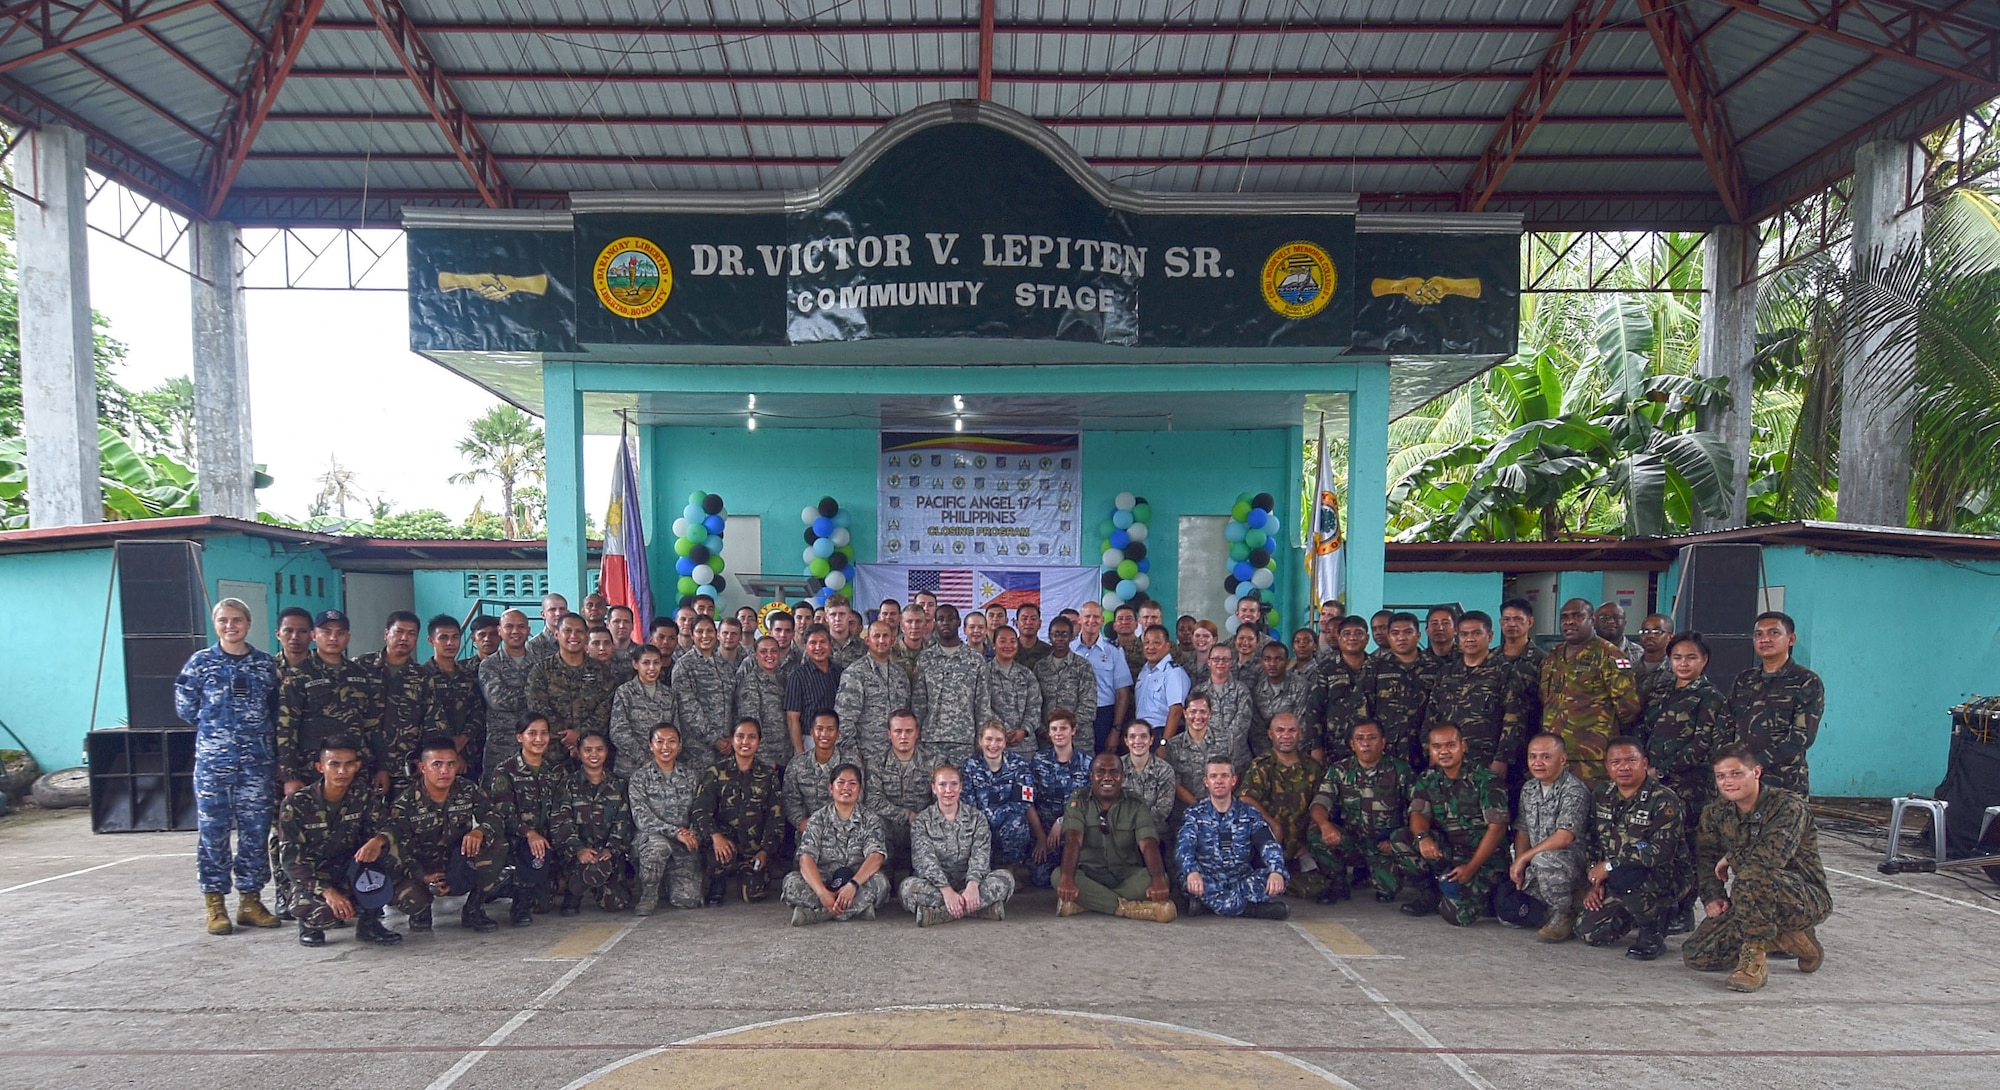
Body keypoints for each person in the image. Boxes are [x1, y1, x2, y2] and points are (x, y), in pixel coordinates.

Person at [176, 598, 285, 935]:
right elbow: (185, 707)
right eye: (223, 620)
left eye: (237, 620)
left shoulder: (266, 666)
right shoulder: (200, 664)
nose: (230, 626)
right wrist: (220, 733)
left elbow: (274, 709)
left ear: (248, 624)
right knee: (213, 834)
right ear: (216, 624)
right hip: (214, 766)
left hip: (256, 765)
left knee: (255, 833)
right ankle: (215, 904)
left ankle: (250, 901)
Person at [1684, 745, 1832, 991]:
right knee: (1698, 954)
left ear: (1757, 772)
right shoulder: (1716, 813)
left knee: (1751, 874)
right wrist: (1714, 896)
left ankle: (1754, 963)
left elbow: (1771, 857)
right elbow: (1706, 859)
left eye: (1736, 773)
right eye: (1721, 776)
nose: (1728, 782)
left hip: (1802, 898)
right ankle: (1791, 939)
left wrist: (1732, 858)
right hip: (1752, 899)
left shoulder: (1787, 806)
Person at [276, 734, 402, 947]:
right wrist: (328, 892)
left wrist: (379, 840)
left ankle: (369, 923)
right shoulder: (297, 804)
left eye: (349, 764)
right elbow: (292, 862)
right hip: (311, 876)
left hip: (348, 869)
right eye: (334, 764)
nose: (342, 771)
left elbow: (390, 825)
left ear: (357, 766)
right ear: (320, 767)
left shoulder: (361, 795)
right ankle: (309, 924)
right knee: (323, 915)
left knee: (389, 852)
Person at [1580, 737, 1690, 961]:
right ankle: (1638, 911)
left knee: (1625, 876)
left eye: (1631, 760)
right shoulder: (1602, 794)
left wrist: (1610, 867)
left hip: (1664, 876)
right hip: (1618, 876)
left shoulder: (1663, 799)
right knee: (1590, 933)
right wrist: (1595, 880)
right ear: (1607, 766)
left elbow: (1661, 851)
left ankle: (1653, 932)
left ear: (1644, 763)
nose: (1623, 767)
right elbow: (1593, 840)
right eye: (1616, 762)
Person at [385, 735, 508, 933]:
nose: (445, 770)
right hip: (421, 868)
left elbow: (494, 816)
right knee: (412, 899)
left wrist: (480, 831)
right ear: (423, 767)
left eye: (451, 764)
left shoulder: (466, 789)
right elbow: (397, 851)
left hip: (456, 861)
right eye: (437, 764)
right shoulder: (405, 803)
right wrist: (423, 876)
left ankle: (474, 908)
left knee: (497, 845)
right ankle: (421, 911)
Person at [1644, 632, 1726, 930]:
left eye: (1691, 657)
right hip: (1654, 784)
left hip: (1691, 787)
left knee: (1690, 847)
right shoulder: (1660, 691)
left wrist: (1662, 770)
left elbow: (1703, 744)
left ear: (1704, 660)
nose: (1683, 663)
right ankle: (1660, 905)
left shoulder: (1711, 698)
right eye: (1677, 657)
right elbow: (1644, 730)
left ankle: (1684, 909)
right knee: (1662, 844)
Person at [1391, 724, 1510, 926]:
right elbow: (1418, 812)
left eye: (1451, 745)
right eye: (1437, 746)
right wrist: (1423, 838)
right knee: (1400, 839)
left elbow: (1497, 829)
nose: (1444, 751)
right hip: (1449, 852)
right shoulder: (1429, 778)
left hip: (1484, 859)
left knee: (1457, 915)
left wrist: (1471, 868)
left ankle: (1486, 895)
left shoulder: (1485, 779)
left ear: (1463, 746)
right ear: (1430, 749)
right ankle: (1432, 891)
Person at [276, 609, 384, 799]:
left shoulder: (359, 675)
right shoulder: (297, 675)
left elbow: (372, 726)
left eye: (340, 633)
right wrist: (290, 776)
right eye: (326, 632)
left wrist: (381, 767)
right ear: (314, 636)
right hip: (312, 770)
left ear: (348, 637)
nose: (333, 638)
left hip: (355, 769)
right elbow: (286, 728)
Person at [1055, 753, 1176, 921]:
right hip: (1090, 873)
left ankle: (1087, 903)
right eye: (1100, 772)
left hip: (1126, 874)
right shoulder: (1079, 801)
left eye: (1114, 772)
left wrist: (1157, 879)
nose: (1107, 777)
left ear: (1122, 776)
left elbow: (1148, 843)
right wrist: (1067, 878)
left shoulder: (1136, 804)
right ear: (1091, 776)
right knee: (1058, 876)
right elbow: (1073, 840)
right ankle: (1128, 908)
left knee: (1159, 878)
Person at [1308, 719, 1413, 903]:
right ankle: (1337, 882)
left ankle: (1372, 873)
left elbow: (1417, 811)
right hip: (1352, 842)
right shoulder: (1340, 770)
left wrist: (1398, 839)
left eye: (1372, 738)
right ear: (1352, 744)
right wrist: (1325, 825)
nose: (1365, 743)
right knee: (1315, 831)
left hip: (1384, 846)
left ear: (1383, 742)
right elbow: (1319, 804)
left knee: (1388, 891)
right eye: (1360, 738)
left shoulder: (1400, 770)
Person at [1720, 611, 1825, 796]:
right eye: (1758, 634)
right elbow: (1726, 724)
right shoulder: (1745, 680)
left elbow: (1802, 737)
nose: (1765, 639)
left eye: (1773, 633)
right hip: (1740, 780)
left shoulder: (1806, 681)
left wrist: (1754, 762)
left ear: (1791, 639)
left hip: (1784, 782)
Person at [1540, 598, 1640, 783]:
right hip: (1554, 754)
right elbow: (1545, 699)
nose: (1569, 621)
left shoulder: (1610, 655)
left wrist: (1598, 730)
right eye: (1564, 617)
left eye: (1578, 616)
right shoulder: (1553, 656)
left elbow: (1628, 708)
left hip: (1592, 757)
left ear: (1592, 620)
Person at [1177, 756, 1290, 919]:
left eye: (1224, 776)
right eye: (1213, 776)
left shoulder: (1249, 813)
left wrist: (1276, 870)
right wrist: (1191, 872)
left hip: (1241, 879)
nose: (1219, 781)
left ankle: (1208, 905)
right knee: (1187, 880)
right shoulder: (1194, 814)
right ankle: (1252, 910)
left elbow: (1268, 844)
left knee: (1276, 879)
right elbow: (1184, 847)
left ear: (1234, 780)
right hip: (1207, 879)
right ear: (1206, 781)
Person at [903, 763, 1015, 926]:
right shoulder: (922, 821)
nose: (948, 790)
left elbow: (981, 855)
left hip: (970, 883)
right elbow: (924, 861)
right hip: (936, 887)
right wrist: (946, 890)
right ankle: (979, 909)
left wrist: (972, 886)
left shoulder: (976, 818)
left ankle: (940, 913)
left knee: (1006, 879)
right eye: (942, 785)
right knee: (907, 889)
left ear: (961, 787)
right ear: (934, 788)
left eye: (954, 784)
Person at [1503, 734, 1590, 942]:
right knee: (1507, 912)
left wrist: (1525, 858)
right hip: (1539, 863)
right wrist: (1519, 863)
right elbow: (1523, 829)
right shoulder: (1529, 789)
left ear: (1562, 759)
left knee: (1544, 860)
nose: (1537, 762)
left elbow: (1564, 837)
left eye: (1545, 757)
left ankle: (1565, 913)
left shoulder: (1574, 790)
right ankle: (1555, 907)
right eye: (1532, 757)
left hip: (1571, 864)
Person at [486, 712, 570, 926]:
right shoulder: (505, 771)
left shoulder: (557, 771)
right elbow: (503, 812)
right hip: (518, 840)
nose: (539, 739)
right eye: (532, 733)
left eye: (544, 733)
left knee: (544, 903)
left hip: (548, 840)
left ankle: (512, 885)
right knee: (532, 867)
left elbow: (563, 809)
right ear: (519, 737)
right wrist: (529, 833)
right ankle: (518, 902)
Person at [691, 718, 786, 904]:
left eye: (751, 737)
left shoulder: (767, 775)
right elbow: (700, 810)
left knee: (752, 896)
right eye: (740, 736)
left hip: (754, 849)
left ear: (759, 741)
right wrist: (715, 836)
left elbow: (776, 817)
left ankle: (751, 873)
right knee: (717, 860)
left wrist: (765, 851)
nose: (745, 742)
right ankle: (718, 880)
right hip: (724, 845)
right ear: (732, 740)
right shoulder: (716, 772)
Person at [784, 762, 891, 925]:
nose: (846, 788)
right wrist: (822, 893)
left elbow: (876, 857)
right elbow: (805, 859)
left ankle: (819, 914)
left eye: (852, 783)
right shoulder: (818, 819)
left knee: (881, 883)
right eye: (840, 783)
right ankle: (855, 910)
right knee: (791, 883)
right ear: (831, 788)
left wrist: (853, 886)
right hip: (824, 880)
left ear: (860, 790)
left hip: (856, 881)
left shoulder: (870, 819)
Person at [1424, 610, 1524, 779]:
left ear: (1490, 636)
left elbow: (1513, 720)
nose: (1469, 639)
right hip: (1447, 760)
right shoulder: (1447, 672)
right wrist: (1430, 752)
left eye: (1477, 633)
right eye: (1464, 634)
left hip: (1486, 762)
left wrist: (1502, 759)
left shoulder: (1505, 672)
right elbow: (1432, 715)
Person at [1237, 713, 1326, 897]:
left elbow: (1322, 805)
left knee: (1319, 888)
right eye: (1280, 730)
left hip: (1299, 848)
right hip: (1268, 846)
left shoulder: (1312, 768)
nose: (1286, 735)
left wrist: (1309, 844)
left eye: (1292, 730)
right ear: (1270, 734)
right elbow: (1246, 799)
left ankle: (1278, 882)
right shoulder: (1261, 766)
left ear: (1300, 734)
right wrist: (1271, 822)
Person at [628, 722, 706, 915]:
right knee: (658, 847)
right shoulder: (640, 778)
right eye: (660, 741)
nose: (665, 747)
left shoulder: (691, 776)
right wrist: (675, 832)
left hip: (683, 843)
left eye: (671, 741)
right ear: (650, 745)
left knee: (688, 900)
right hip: (653, 840)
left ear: (679, 745)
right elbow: (641, 817)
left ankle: (667, 880)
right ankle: (649, 893)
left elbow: (700, 810)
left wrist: (692, 833)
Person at [554, 730, 633, 915]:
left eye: (599, 749)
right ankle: (574, 890)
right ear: (579, 753)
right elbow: (561, 821)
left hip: (608, 854)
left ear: (607, 752)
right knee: (580, 872)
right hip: (576, 854)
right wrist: (578, 849)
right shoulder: (568, 784)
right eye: (588, 750)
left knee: (616, 904)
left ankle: (599, 882)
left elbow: (624, 821)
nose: (594, 754)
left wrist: (611, 849)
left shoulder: (619, 784)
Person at [866, 710, 946, 882]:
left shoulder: (933, 761)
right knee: (875, 824)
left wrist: (923, 819)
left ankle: (923, 876)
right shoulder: (877, 763)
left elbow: (942, 799)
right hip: (890, 825)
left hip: (922, 825)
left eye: (909, 731)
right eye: (898, 731)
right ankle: (884, 876)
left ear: (917, 733)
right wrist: (906, 815)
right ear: (889, 734)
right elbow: (873, 800)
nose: (903, 736)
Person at [525, 614, 615, 768]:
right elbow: (538, 707)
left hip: (592, 752)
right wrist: (568, 738)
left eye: (579, 631)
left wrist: (580, 734)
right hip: (552, 752)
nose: (573, 636)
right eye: (568, 631)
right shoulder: (541, 670)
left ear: (586, 636)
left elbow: (606, 708)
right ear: (557, 635)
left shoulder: (602, 671)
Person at [961, 722, 1041, 871]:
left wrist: (996, 815)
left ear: (1005, 743)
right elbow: (968, 804)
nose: (993, 745)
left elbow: (1024, 801)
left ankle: (1011, 869)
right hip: (981, 824)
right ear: (980, 740)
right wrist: (986, 820)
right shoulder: (970, 766)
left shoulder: (1019, 765)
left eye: (998, 740)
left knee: (1018, 823)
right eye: (989, 739)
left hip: (1008, 824)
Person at [1363, 612, 1439, 767]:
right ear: (1389, 637)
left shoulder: (1436, 668)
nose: (1401, 638)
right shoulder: (1375, 668)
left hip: (1425, 749)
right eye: (1395, 633)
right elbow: (1363, 709)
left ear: (1418, 635)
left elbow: (1442, 710)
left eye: (1408, 632)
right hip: (1386, 750)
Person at [420, 614, 488, 782]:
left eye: (455, 637)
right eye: (443, 638)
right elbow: (423, 720)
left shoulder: (468, 675)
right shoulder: (419, 677)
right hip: (435, 760)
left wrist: (463, 739)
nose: (450, 643)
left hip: (470, 756)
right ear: (431, 640)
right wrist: (451, 751)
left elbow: (479, 712)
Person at [1029, 710, 1093, 887]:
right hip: (1045, 831)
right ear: (1048, 733)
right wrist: (1041, 836)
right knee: (1041, 879)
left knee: (1082, 874)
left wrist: (1063, 820)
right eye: (1054, 729)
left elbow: (1091, 803)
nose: (1058, 733)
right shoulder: (1038, 761)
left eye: (1063, 728)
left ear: (1073, 731)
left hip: (1076, 830)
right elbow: (1027, 801)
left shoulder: (1087, 762)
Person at [835, 620, 913, 764]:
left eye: (885, 636)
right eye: (876, 636)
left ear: (892, 640)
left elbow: (906, 714)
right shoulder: (855, 673)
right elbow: (844, 719)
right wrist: (852, 753)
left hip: (895, 756)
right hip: (866, 756)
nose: (881, 640)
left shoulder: (900, 674)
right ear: (867, 640)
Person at [917, 604, 985, 764]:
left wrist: (980, 738)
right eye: (940, 619)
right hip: (931, 740)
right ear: (934, 624)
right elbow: (919, 702)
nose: (946, 623)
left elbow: (982, 702)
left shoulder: (975, 659)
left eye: (951, 619)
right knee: (934, 786)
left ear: (959, 622)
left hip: (964, 740)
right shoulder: (926, 658)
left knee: (964, 786)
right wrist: (918, 738)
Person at [478, 609, 537, 776]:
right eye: (509, 626)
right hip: (501, 745)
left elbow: (548, 699)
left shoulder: (540, 663)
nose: (515, 631)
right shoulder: (489, 665)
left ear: (528, 629)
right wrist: (534, 696)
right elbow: (498, 700)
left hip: (534, 744)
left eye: (521, 626)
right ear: (500, 630)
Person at [785, 711, 860, 839]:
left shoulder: (851, 763)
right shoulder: (798, 763)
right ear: (811, 732)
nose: (824, 734)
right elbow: (790, 799)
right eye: (819, 729)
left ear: (838, 733)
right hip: (809, 833)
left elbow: (858, 798)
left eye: (830, 729)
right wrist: (800, 822)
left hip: (845, 832)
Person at [1072, 602, 1134, 753]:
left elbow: (1123, 694)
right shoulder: (1069, 649)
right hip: (1075, 713)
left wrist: (1116, 729)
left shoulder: (1113, 651)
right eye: (1087, 616)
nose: (1091, 621)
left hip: (1104, 715)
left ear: (1102, 621)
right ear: (1080, 620)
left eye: (1096, 617)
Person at [672, 616, 736, 761]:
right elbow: (688, 709)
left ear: (716, 634)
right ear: (692, 634)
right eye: (700, 631)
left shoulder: (724, 665)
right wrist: (715, 739)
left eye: (709, 631)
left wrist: (733, 737)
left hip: (726, 748)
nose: (705, 636)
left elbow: (733, 703)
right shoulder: (684, 666)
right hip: (697, 750)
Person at [1165, 693, 1235, 825]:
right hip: (1187, 813)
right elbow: (1175, 783)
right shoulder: (1174, 745)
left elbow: (1233, 774)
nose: (1198, 717)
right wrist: (1199, 807)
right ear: (1185, 713)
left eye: (1203, 711)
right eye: (1193, 712)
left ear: (1210, 713)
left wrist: (1217, 806)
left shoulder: (1226, 739)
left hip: (1222, 811)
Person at [610, 645, 676, 778]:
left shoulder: (669, 695)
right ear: (635, 664)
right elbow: (618, 732)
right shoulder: (625, 692)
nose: (652, 668)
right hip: (630, 768)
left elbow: (676, 730)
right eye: (646, 663)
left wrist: (664, 758)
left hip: (662, 767)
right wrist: (644, 759)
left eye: (656, 663)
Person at [979, 625, 1043, 758]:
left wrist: (1024, 730)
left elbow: (1035, 706)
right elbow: (982, 707)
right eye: (1002, 641)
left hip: (1026, 747)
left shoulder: (1026, 674)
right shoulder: (983, 674)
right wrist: (1005, 731)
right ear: (994, 645)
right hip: (994, 745)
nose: (1008, 645)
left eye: (1012, 641)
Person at [1249, 641, 1318, 759]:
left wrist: (1290, 756)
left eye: (1278, 659)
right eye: (1267, 659)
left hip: (1297, 754)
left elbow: (1302, 726)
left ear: (1287, 662)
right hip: (1267, 756)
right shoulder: (1256, 691)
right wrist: (1270, 758)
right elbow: (1258, 732)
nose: (1272, 664)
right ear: (1262, 662)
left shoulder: (1301, 686)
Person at [1193, 643, 1256, 769]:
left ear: (1231, 663)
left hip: (1236, 760)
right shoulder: (1198, 691)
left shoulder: (1241, 690)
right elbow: (1194, 725)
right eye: (1216, 659)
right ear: (1209, 662)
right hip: (1205, 760)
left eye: (1225, 659)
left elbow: (1241, 726)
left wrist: (1220, 747)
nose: (1220, 663)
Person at [1317, 616, 1374, 753]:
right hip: (1335, 746)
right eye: (1347, 633)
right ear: (1339, 638)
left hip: (1371, 746)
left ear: (1367, 638)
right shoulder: (1326, 669)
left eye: (1358, 633)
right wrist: (1316, 748)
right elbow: (1315, 709)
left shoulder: (1380, 667)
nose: (1352, 638)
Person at [785, 624, 843, 757]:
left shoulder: (840, 673)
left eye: (823, 642)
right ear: (805, 646)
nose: (818, 647)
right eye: (813, 643)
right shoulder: (798, 677)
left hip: (838, 739)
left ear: (830, 644)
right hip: (810, 740)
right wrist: (800, 753)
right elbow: (792, 718)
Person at [1033, 616, 1095, 738]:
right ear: (1050, 636)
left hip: (1078, 738)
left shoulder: (1083, 666)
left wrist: (1064, 729)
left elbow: (1089, 705)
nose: (1060, 638)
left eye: (1064, 634)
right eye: (1056, 634)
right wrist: (1045, 731)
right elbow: (1034, 703)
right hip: (1047, 737)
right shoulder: (1040, 667)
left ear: (1072, 636)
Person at [734, 638, 791, 767]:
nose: (769, 655)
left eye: (774, 651)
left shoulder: (785, 679)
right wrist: (765, 761)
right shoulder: (750, 684)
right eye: (763, 651)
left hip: (787, 755)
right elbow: (751, 727)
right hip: (766, 759)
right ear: (756, 655)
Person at [1497, 598, 1546, 744]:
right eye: (1507, 619)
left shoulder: (1542, 660)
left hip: (1528, 738)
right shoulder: (1490, 657)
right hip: (1493, 738)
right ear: (1501, 622)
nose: (1511, 624)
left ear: (1530, 622)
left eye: (1518, 619)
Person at [1132, 624, 1191, 744]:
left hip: (1161, 732)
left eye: (1156, 643)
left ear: (1167, 646)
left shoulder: (1173, 673)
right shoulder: (1145, 670)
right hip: (1142, 733)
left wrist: (1164, 742)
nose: (1150, 647)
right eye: (1147, 642)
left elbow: (1176, 710)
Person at [1119, 718, 1177, 832]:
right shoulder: (1116, 768)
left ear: (1151, 740)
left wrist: (1138, 826)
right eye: (1132, 736)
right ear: (1126, 741)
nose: (1138, 741)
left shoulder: (1164, 770)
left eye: (1143, 736)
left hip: (1155, 832)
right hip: (1121, 831)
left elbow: (1163, 810)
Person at [1633, 613, 1675, 700]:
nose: (1650, 636)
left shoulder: (1677, 669)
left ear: (1670, 637)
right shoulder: (1630, 668)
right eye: (1645, 631)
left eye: (1657, 632)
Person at [526, 593, 568, 661]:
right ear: (543, 614)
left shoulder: (574, 641)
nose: (558, 613)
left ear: (568, 612)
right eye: (552, 609)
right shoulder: (534, 645)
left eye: (562, 609)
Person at [1014, 603, 1050, 670]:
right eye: (1024, 618)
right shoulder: (1008, 650)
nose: (1028, 622)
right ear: (1016, 623)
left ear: (1039, 624)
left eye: (1033, 619)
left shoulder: (1050, 652)